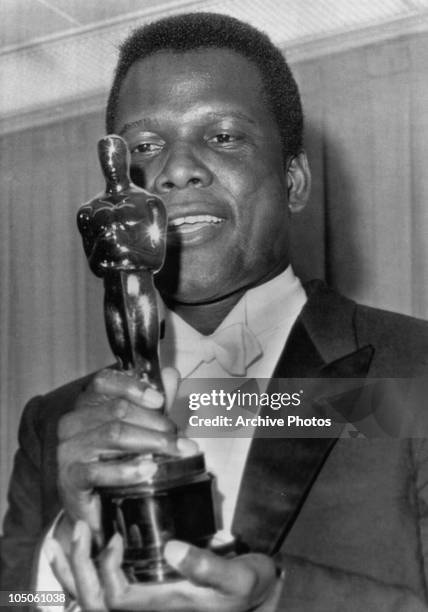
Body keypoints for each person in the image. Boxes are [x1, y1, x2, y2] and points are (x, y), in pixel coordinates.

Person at [2, 11, 428, 612]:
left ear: (295, 181)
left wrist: (277, 599)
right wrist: (58, 560)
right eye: (145, 147)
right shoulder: (56, 425)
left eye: (223, 136)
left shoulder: (413, 378)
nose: (176, 169)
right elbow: (14, 600)